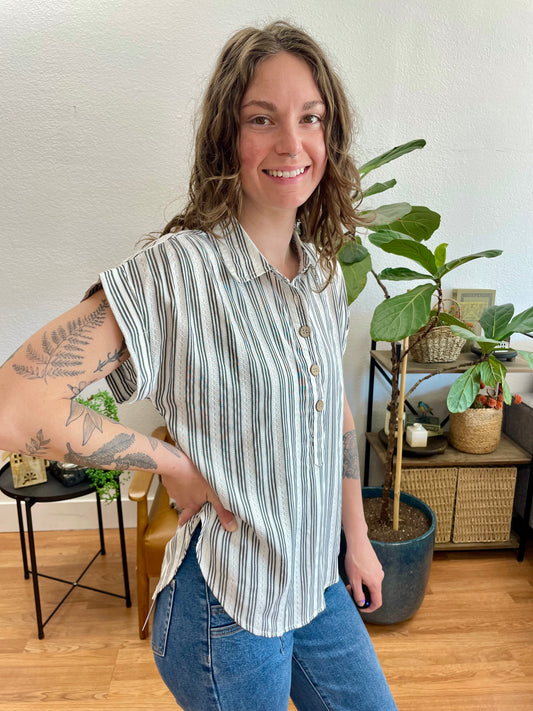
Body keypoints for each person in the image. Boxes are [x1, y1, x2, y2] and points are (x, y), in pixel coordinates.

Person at [0, 20, 397, 711]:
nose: (291, 143)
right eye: (261, 119)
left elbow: (331, 406)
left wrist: (356, 538)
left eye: (309, 118)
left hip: (315, 581)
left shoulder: (324, 274)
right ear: (226, 137)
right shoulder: (177, 272)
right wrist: (170, 463)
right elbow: (15, 405)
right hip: (226, 607)